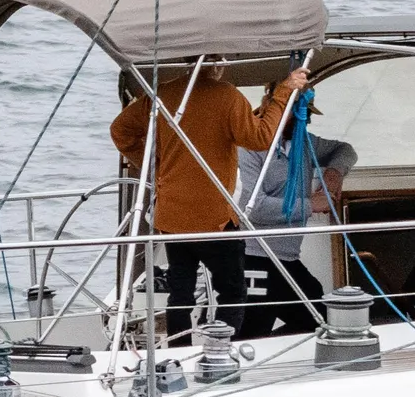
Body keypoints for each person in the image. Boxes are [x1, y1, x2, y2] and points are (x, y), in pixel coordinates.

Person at [110, 64, 322, 337]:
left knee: (180, 294)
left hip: (172, 216)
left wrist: (154, 167)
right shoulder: (227, 96)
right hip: (214, 218)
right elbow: (259, 138)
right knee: (232, 291)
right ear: (219, 66)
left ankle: (179, 349)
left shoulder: (162, 94)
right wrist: (282, 93)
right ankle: (221, 350)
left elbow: (120, 131)